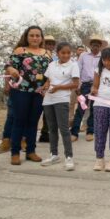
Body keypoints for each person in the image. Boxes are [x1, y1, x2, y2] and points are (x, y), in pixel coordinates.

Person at [5, 26, 52, 165]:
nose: (35, 38)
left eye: (38, 35)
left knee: (33, 122)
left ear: (41, 38)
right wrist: (11, 69)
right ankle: (15, 153)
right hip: (21, 91)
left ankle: (31, 151)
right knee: (19, 120)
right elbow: (8, 65)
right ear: (26, 36)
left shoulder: (48, 53)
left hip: (39, 93)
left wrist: (48, 82)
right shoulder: (20, 50)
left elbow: (52, 71)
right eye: (32, 35)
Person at [40, 42, 80, 170]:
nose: (66, 55)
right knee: (52, 129)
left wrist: (58, 87)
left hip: (62, 99)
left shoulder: (73, 65)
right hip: (48, 100)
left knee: (64, 129)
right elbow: (48, 81)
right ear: (57, 53)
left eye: (68, 53)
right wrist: (44, 87)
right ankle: (54, 155)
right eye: (63, 53)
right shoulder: (52, 64)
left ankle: (69, 157)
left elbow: (75, 84)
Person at [71, 34, 105, 142]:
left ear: (100, 46)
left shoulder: (103, 57)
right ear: (90, 45)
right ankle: (74, 132)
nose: (95, 46)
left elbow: (104, 72)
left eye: (97, 44)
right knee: (81, 108)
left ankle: (90, 132)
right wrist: (77, 85)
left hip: (97, 86)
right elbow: (78, 70)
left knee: (94, 109)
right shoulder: (83, 55)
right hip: (84, 86)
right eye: (93, 44)